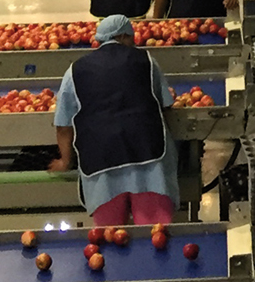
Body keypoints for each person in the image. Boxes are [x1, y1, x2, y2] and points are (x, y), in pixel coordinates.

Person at [47, 14, 177, 226]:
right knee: (155, 234)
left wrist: (65, 161)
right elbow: (166, 107)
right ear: (124, 36)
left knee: (111, 236)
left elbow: (63, 124)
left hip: (101, 164)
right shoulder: (146, 61)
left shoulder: (74, 71)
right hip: (147, 158)